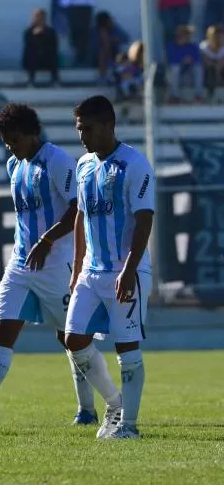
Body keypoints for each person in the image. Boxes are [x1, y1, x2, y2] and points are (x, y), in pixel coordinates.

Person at [0, 104, 102, 428]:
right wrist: (31, 246)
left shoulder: (57, 161)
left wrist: (47, 241)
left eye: (15, 139)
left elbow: (78, 210)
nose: (11, 146)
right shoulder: (15, 165)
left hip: (57, 262)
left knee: (72, 338)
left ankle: (93, 408)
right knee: (3, 328)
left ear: (33, 133)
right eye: (6, 141)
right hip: (21, 263)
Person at [64, 95, 154, 440]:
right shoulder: (84, 165)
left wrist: (129, 270)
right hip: (90, 271)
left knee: (126, 347)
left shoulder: (134, 164)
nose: (82, 136)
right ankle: (115, 405)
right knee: (74, 339)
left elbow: (144, 220)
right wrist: (76, 270)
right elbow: (81, 219)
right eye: (78, 129)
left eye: (87, 129)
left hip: (124, 270)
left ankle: (129, 426)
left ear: (108, 126)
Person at [165, 24, 205, 103]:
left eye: (187, 34)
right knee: (175, 68)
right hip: (173, 75)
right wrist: (182, 60)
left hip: (188, 74)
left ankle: (198, 95)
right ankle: (175, 95)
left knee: (198, 68)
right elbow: (170, 61)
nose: (186, 36)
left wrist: (190, 61)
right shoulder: (170, 46)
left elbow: (197, 60)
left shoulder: (193, 46)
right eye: (184, 34)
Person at [22, 8, 60, 86]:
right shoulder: (29, 31)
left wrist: (44, 34)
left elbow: (54, 45)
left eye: (41, 17)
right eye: (37, 17)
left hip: (46, 58)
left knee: (53, 57)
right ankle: (31, 80)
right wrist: (35, 36)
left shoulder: (50, 31)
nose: (39, 19)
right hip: (34, 58)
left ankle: (55, 80)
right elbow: (28, 45)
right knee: (31, 56)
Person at [201, 24, 224, 99]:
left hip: (221, 70)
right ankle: (210, 95)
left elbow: (221, 63)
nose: (220, 38)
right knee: (211, 71)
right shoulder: (204, 46)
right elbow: (206, 61)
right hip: (208, 70)